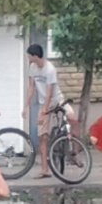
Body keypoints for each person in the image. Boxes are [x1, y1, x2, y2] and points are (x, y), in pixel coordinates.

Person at [24, 44, 78, 179]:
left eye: (29, 56)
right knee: (43, 136)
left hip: (56, 99)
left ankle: (75, 152)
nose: (28, 58)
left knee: (73, 118)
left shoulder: (50, 69)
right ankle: (44, 169)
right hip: (43, 103)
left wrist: (44, 112)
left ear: (35, 56)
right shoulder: (32, 68)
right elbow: (31, 88)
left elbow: (49, 93)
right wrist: (26, 106)